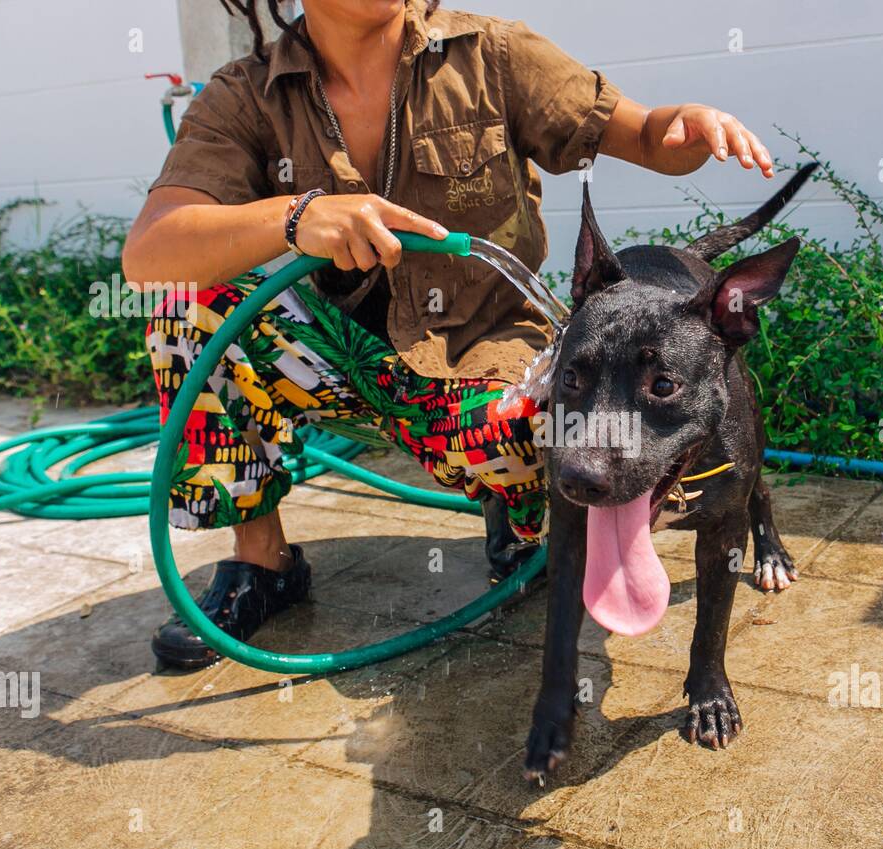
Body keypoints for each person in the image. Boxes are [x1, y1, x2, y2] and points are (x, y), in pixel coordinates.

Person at [122, 0, 777, 669]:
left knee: (558, 439)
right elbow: (149, 252)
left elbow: (643, 134)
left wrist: (681, 130)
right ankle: (264, 563)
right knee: (185, 302)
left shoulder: (491, 55)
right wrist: (295, 216)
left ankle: (520, 514)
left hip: (483, 365)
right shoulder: (246, 96)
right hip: (340, 365)